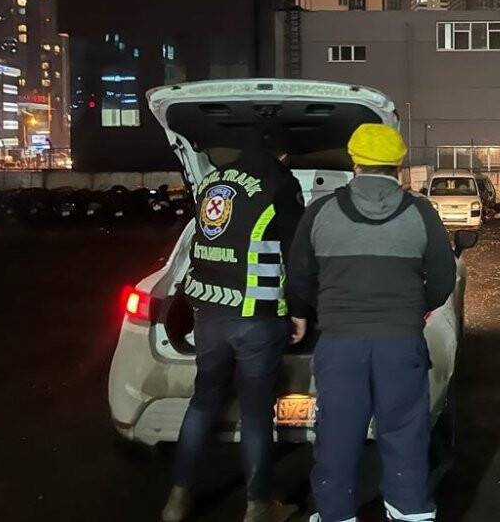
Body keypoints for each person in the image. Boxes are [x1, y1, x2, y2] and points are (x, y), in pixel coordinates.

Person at [287, 123, 456, 522]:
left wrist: (320, 311)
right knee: (404, 432)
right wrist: (417, 309)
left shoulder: (321, 211)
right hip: (401, 342)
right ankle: (410, 512)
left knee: (337, 435)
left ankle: (335, 514)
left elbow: (298, 275)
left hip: (340, 344)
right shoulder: (421, 213)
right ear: (398, 165)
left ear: (355, 162)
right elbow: (444, 277)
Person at [161, 147, 309, 522]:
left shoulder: (212, 181)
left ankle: (177, 499)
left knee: (203, 402)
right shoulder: (279, 182)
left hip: (208, 314)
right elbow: (297, 252)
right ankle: (258, 505)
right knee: (256, 413)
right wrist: (299, 310)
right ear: (283, 154)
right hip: (256, 317)